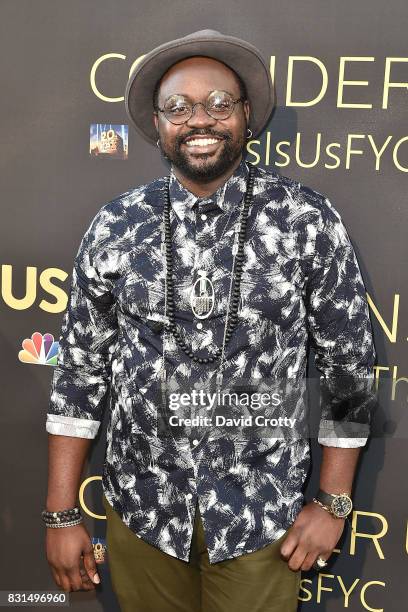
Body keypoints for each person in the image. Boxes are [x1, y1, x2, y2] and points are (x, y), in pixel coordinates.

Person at [44, 29, 377, 611]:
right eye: (179, 107)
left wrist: (333, 502)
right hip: (144, 512)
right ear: (158, 123)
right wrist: (61, 512)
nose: (201, 120)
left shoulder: (305, 221)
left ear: (246, 116)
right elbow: (77, 375)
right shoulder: (118, 225)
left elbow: (348, 367)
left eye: (219, 104)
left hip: (259, 519)